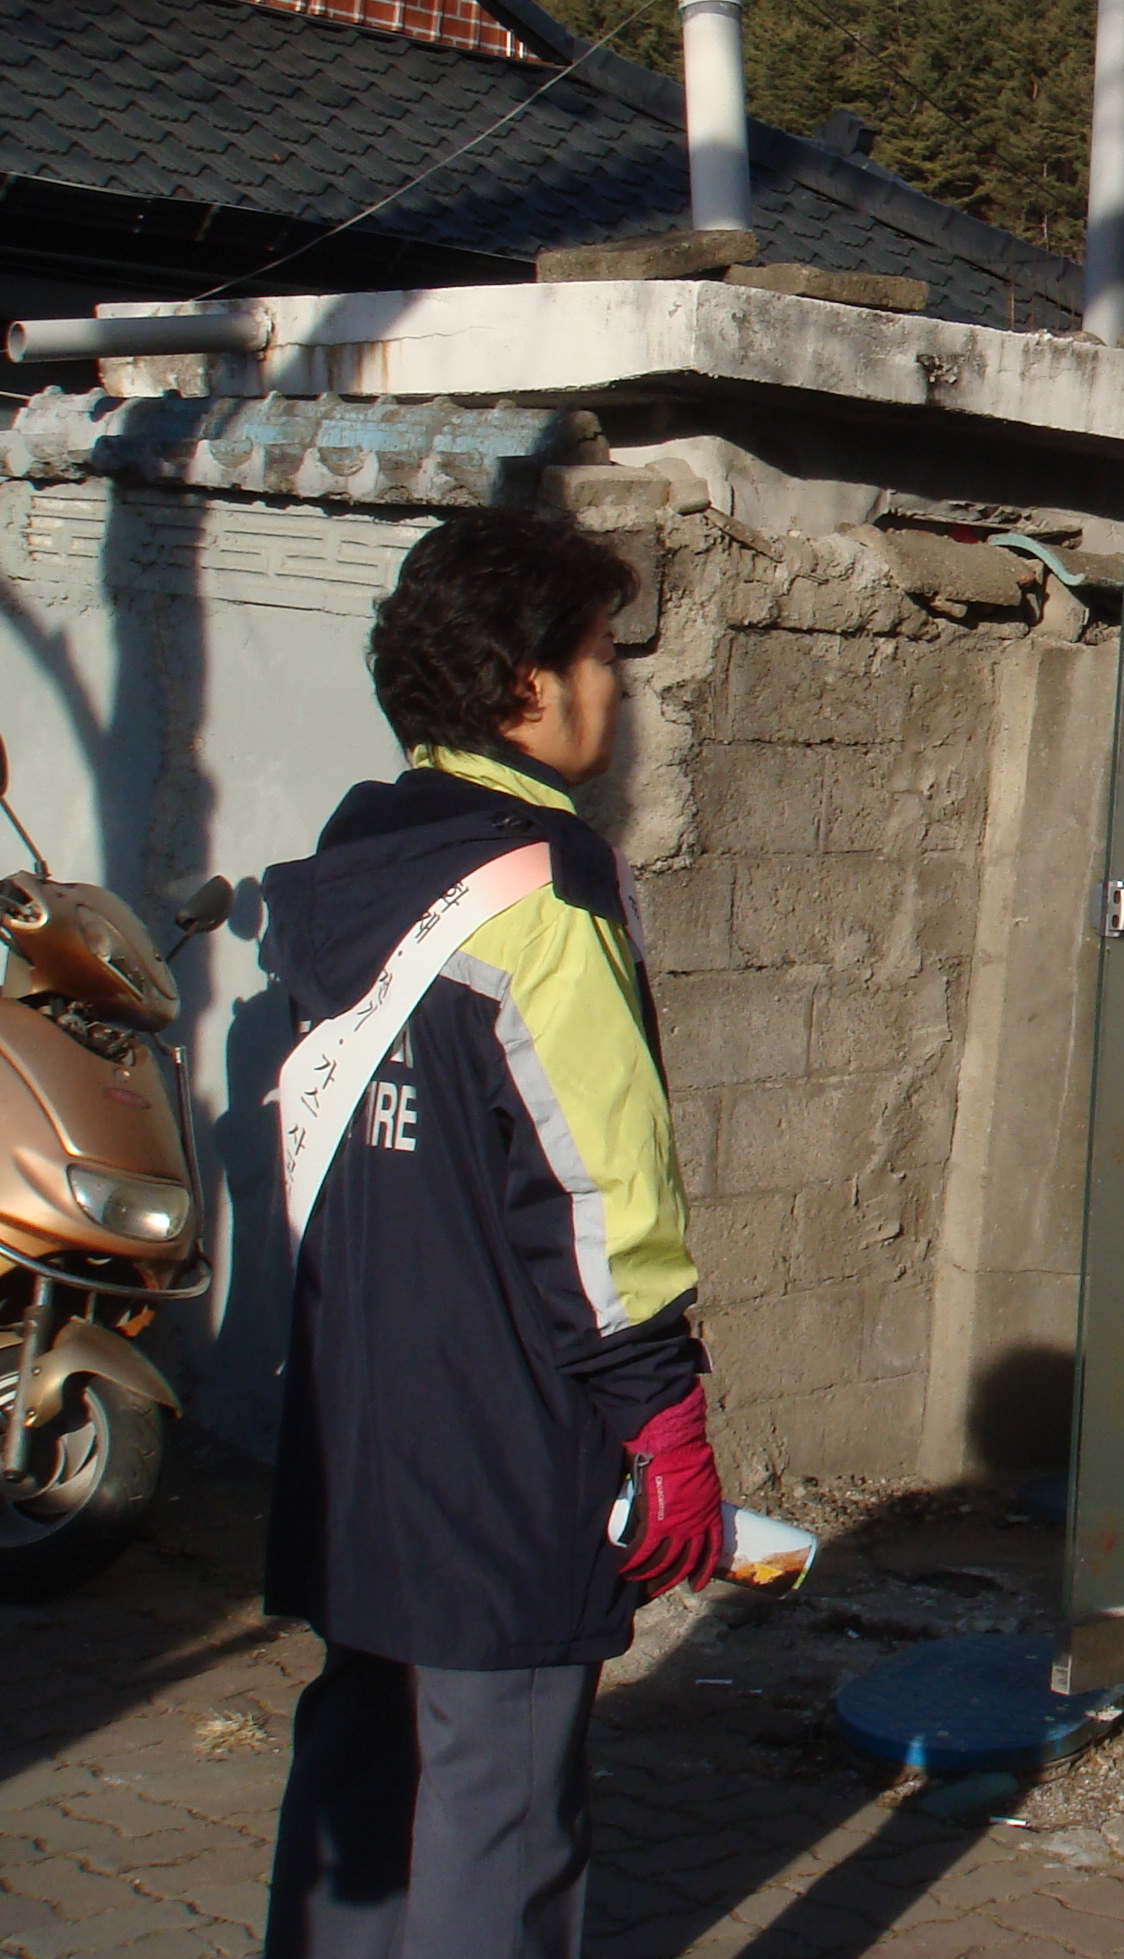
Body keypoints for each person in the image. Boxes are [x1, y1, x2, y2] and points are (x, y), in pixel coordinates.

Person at [261, 508, 721, 1959]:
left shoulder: (351, 859)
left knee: (358, 1774)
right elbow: (598, 1195)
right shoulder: (546, 887)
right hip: (504, 1439)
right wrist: (661, 1409)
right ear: (528, 684)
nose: (615, 685)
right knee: (500, 1815)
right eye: (599, 654)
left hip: (356, 1421)